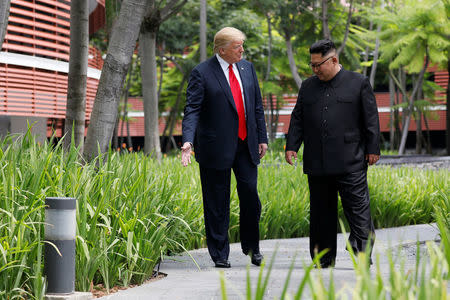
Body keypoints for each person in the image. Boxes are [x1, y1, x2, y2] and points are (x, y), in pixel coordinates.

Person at [285, 39, 380, 268]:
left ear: (334, 59)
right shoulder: (308, 86)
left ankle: (361, 253)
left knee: (358, 211)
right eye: (312, 65)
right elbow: (298, 118)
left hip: (351, 159)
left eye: (319, 65)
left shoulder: (358, 82)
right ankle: (323, 259)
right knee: (320, 214)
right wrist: (291, 146)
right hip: (317, 161)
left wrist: (373, 148)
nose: (315, 69)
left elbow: (371, 118)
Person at [181, 27, 268, 268]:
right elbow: (193, 109)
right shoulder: (202, 72)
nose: (242, 50)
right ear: (222, 50)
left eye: (242, 45)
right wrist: (187, 140)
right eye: (237, 46)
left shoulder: (247, 68)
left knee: (251, 195)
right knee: (216, 202)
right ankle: (219, 253)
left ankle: (253, 247)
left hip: (246, 144)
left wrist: (262, 137)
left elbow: (256, 106)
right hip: (214, 147)